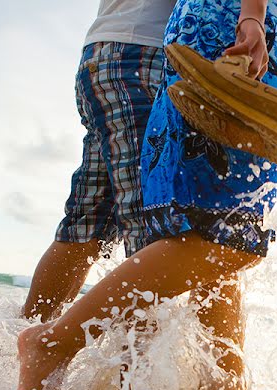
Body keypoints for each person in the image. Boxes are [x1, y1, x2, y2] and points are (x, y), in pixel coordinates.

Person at [17, 0, 277, 390]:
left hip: (107, 53)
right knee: (193, 238)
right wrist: (252, 16)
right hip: (165, 53)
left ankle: (19, 367)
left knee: (88, 227)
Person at [22, 0, 175, 322]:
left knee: (86, 226)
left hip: (106, 57)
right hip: (143, 56)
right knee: (149, 227)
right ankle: (136, 369)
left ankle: (18, 353)